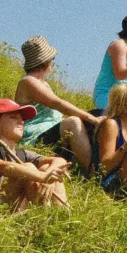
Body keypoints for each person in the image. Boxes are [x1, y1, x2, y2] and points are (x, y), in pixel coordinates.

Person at [0, 99, 70, 211]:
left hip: (18, 207)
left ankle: (61, 215)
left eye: (21, 119)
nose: (21, 121)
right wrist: (43, 177)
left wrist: (48, 175)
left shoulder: (21, 153)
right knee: (28, 167)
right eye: (13, 117)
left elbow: (59, 161)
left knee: (48, 167)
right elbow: (2, 166)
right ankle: (47, 216)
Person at [14, 36, 100, 172]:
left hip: (50, 131)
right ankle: (93, 172)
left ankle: (102, 164)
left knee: (95, 116)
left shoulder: (43, 83)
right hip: (36, 136)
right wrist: (90, 118)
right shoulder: (28, 82)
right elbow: (57, 103)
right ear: (45, 61)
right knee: (74, 122)